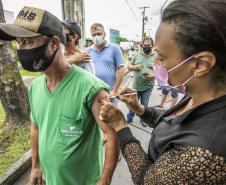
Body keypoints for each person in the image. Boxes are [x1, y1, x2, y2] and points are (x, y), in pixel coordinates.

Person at [99, 0, 226, 184]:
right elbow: (175, 121)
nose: (155, 64)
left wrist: (120, 127)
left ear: (200, 65)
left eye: (162, 57)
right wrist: (140, 109)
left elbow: (145, 179)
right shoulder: (200, 94)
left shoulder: (203, 153)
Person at [0, 6, 119, 185]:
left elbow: (111, 135)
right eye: (18, 42)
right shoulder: (36, 87)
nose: (21, 49)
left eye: (27, 42)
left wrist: (104, 180)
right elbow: (36, 127)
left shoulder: (91, 89)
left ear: (54, 44)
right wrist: (35, 166)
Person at [87, 23, 125, 102]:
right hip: (94, 94)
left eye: (99, 34)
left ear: (104, 34)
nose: (96, 36)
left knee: (111, 114)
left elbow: (121, 69)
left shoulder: (114, 48)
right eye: (94, 35)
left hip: (110, 94)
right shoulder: (88, 51)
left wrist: (115, 90)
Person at [126, 38, 155, 126]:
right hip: (136, 86)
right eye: (145, 45)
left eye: (149, 45)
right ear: (142, 45)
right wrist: (134, 67)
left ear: (152, 46)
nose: (146, 47)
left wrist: (153, 75)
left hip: (148, 86)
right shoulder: (137, 55)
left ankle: (143, 119)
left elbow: (161, 71)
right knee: (133, 104)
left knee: (144, 105)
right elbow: (129, 65)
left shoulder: (156, 56)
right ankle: (130, 118)